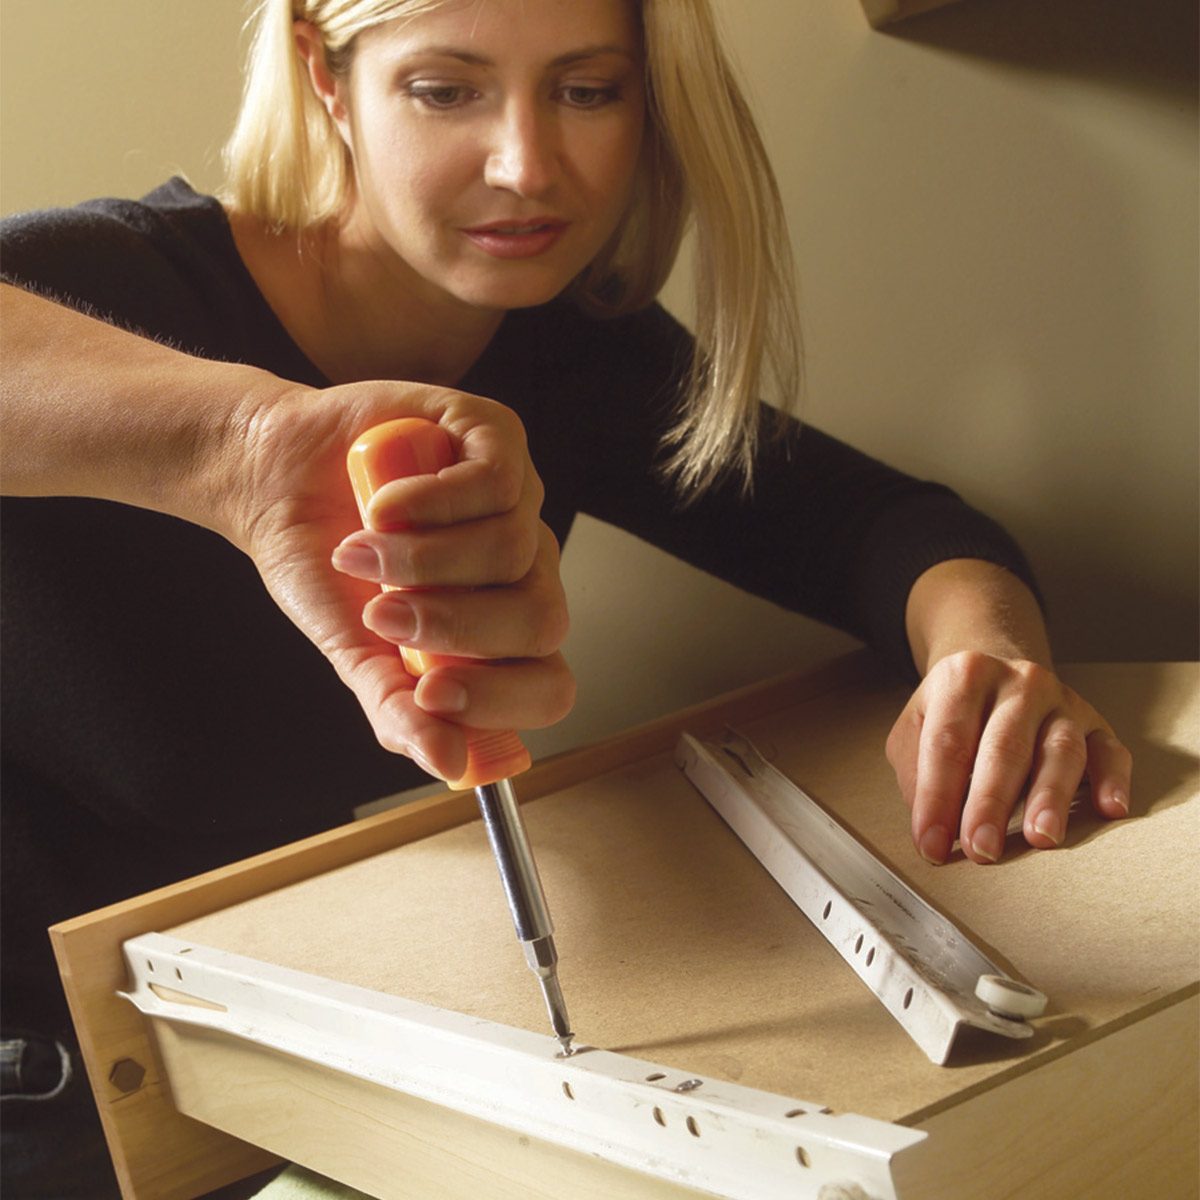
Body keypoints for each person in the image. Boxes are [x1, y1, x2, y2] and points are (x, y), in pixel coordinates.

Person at [0, 0, 1131, 1194]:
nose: (527, 164)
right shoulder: (90, 294)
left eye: (588, 90)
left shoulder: (574, 354)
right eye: (447, 90)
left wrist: (985, 659)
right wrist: (243, 441)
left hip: (269, 1083)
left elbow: (885, 527)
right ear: (323, 77)